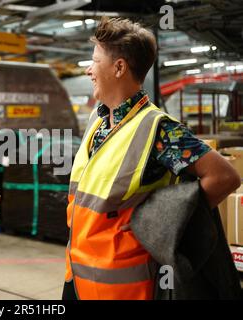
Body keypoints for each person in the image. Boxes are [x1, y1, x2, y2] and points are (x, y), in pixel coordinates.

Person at [62, 18, 240, 300]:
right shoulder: (99, 121)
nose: (88, 69)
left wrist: (165, 221)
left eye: (95, 61)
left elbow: (225, 177)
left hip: (121, 290)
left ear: (119, 67)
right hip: (77, 277)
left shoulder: (159, 130)